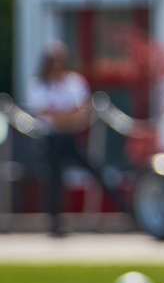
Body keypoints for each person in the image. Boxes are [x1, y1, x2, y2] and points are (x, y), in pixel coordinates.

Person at [25, 41, 122, 236]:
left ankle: (126, 210)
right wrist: (68, 116)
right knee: (53, 181)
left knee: (96, 170)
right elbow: (46, 113)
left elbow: (82, 113)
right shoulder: (38, 84)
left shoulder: (73, 81)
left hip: (70, 139)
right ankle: (55, 225)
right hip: (50, 140)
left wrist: (64, 116)